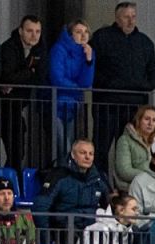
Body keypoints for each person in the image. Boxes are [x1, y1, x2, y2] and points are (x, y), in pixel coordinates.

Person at [89, 2, 155, 178]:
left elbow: (152, 73)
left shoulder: (145, 42)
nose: (130, 21)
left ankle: (126, 187)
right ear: (117, 18)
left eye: (133, 16)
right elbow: (92, 69)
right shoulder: (102, 38)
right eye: (126, 17)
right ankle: (100, 185)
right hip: (107, 105)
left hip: (134, 108)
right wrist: (118, 84)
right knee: (101, 148)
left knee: (130, 150)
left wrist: (141, 85)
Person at [0, 14, 49, 172]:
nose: (34, 35)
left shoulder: (40, 48)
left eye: (37, 31)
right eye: (29, 31)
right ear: (20, 31)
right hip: (0, 106)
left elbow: (41, 77)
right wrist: (29, 72)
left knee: (18, 152)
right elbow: (7, 76)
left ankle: (8, 181)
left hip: (18, 106)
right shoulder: (9, 47)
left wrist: (21, 77)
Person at [49, 20, 95, 160]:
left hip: (74, 106)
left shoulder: (88, 52)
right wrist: (77, 88)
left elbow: (86, 83)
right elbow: (57, 78)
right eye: (78, 32)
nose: (83, 35)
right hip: (57, 104)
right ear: (70, 35)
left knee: (72, 148)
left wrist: (89, 60)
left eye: (86, 32)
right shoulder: (59, 49)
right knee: (63, 147)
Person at [113, 105, 155, 192]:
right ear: (138, 120)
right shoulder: (125, 140)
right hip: (132, 188)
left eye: (154, 120)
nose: (150, 123)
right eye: (147, 119)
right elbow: (124, 171)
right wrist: (151, 176)